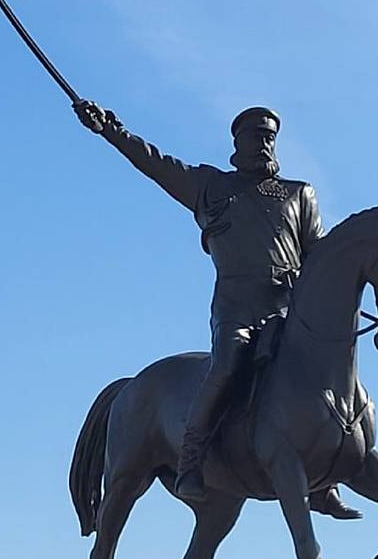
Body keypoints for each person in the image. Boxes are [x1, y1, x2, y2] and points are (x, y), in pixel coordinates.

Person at [73, 98, 359, 519]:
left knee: (322, 375)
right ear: (238, 141)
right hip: (237, 310)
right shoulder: (211, 187)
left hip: (285, 312)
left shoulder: (299, 194)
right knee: (226, 366)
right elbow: (153, 162)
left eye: (271, 137)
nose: (266, 144)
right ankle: (190, 462)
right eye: (257, 136)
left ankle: (324, 481)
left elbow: (316, 255)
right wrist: (109, 129)